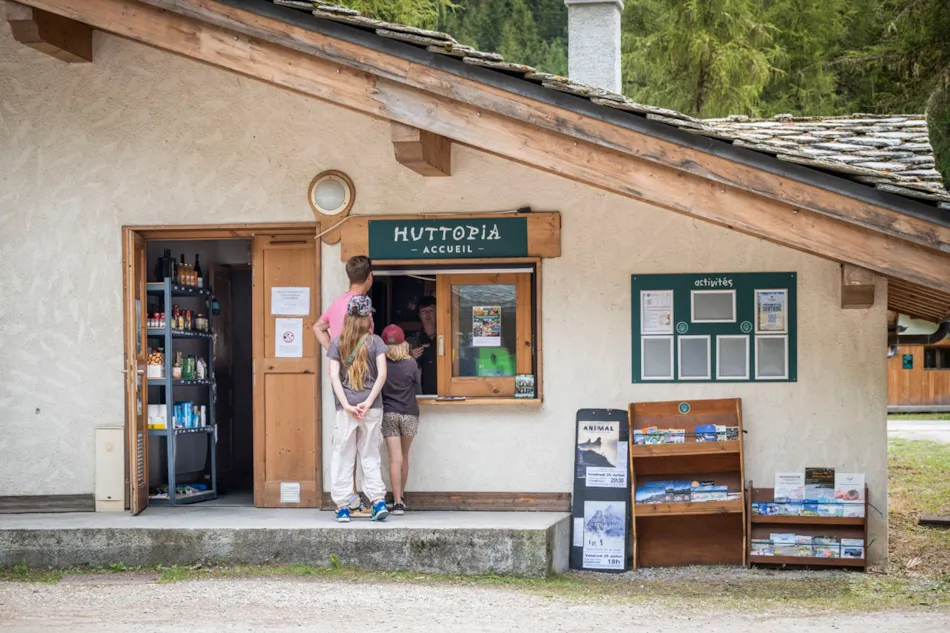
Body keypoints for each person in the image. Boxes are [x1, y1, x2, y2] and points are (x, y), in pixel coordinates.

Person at [313, 255, 373, 512]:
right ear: (369, 277)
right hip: (363, 376)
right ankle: (355, 498)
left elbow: (318, 327)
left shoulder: (338, 303)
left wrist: (333, 351)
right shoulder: (364, 306)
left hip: (341, 377)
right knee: (364, 440)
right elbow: (370, 340)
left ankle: (349, 499)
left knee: (345, 437)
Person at [327, 295, 389, 523]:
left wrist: (347, 406)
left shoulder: (337, 342)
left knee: (343, 455)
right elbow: (382, 374)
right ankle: (378, 502)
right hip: (371, 409)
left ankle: (343, 506)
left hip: (346, 410)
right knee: (370, 455)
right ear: (367, 317)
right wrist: (368, 402)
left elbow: (333, 376)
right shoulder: (377, 342)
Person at [380, 324, 421, 515]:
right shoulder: (411, 363)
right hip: (409, 413)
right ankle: (402, 497)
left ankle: (396, 502)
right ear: (404, 342)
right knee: (404, 456)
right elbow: (417, 384)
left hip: (389, 413)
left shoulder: (381, 365)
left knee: (395, 459)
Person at [408, 295, 438, 395]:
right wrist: (410, 357)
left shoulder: (447, 338)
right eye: (423, 311)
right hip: (422, 395)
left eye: (431, 310)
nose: (427, 314)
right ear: (419, 315)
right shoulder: (412, 341)